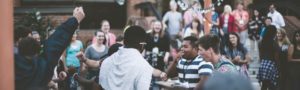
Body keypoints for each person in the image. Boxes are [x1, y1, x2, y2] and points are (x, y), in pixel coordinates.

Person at [14, 7, 85, 90]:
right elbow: (54, 46)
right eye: (30, 38)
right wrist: (75, 20)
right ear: (20, 40)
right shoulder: (40, 67)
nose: (33, 41)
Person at [77, 26, 167, 90]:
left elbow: (101, 84)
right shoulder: (143, 66)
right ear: (142, 45)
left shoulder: (107, 61)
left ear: (124, 42)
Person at [257, 25, 279, 90]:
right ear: (273, 32)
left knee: (264, 84)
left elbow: (260, 55)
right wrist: (277, 66)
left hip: (263, 64)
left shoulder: (261, 42)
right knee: (272, 85)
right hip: (271, 64)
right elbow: (276, 56)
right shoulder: (274, 43)